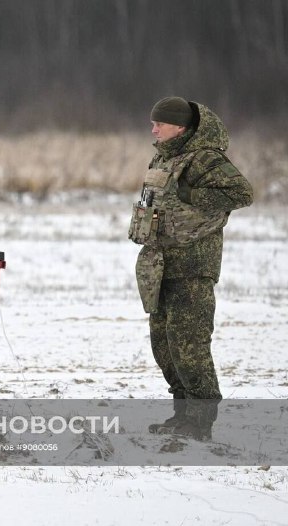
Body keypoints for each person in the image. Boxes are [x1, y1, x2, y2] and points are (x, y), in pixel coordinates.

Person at [129, 97, 253, 440]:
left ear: (180, 127)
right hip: (161, 265)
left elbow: (242, 193)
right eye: (153, 123)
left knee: (189, 346)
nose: (153, 129)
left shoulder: (204, 158)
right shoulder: (164, 157)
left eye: (160, 123)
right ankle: (182, 415)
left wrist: (193, 195)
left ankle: (200, 423)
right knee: (164, 346)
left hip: (193, 266)